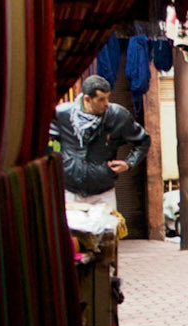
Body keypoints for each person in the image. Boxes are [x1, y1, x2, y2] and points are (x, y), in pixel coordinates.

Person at [51, 72, 150, 234]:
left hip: (103, 190)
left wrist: (129, 163)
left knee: (108, 240)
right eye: (101, 99)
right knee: (73, 240)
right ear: (87, 99)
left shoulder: (117, 116)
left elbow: (143, 141)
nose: (106, 104)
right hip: (71, 190)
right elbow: (44, 140)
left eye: (108, 98)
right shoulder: (63, 115)